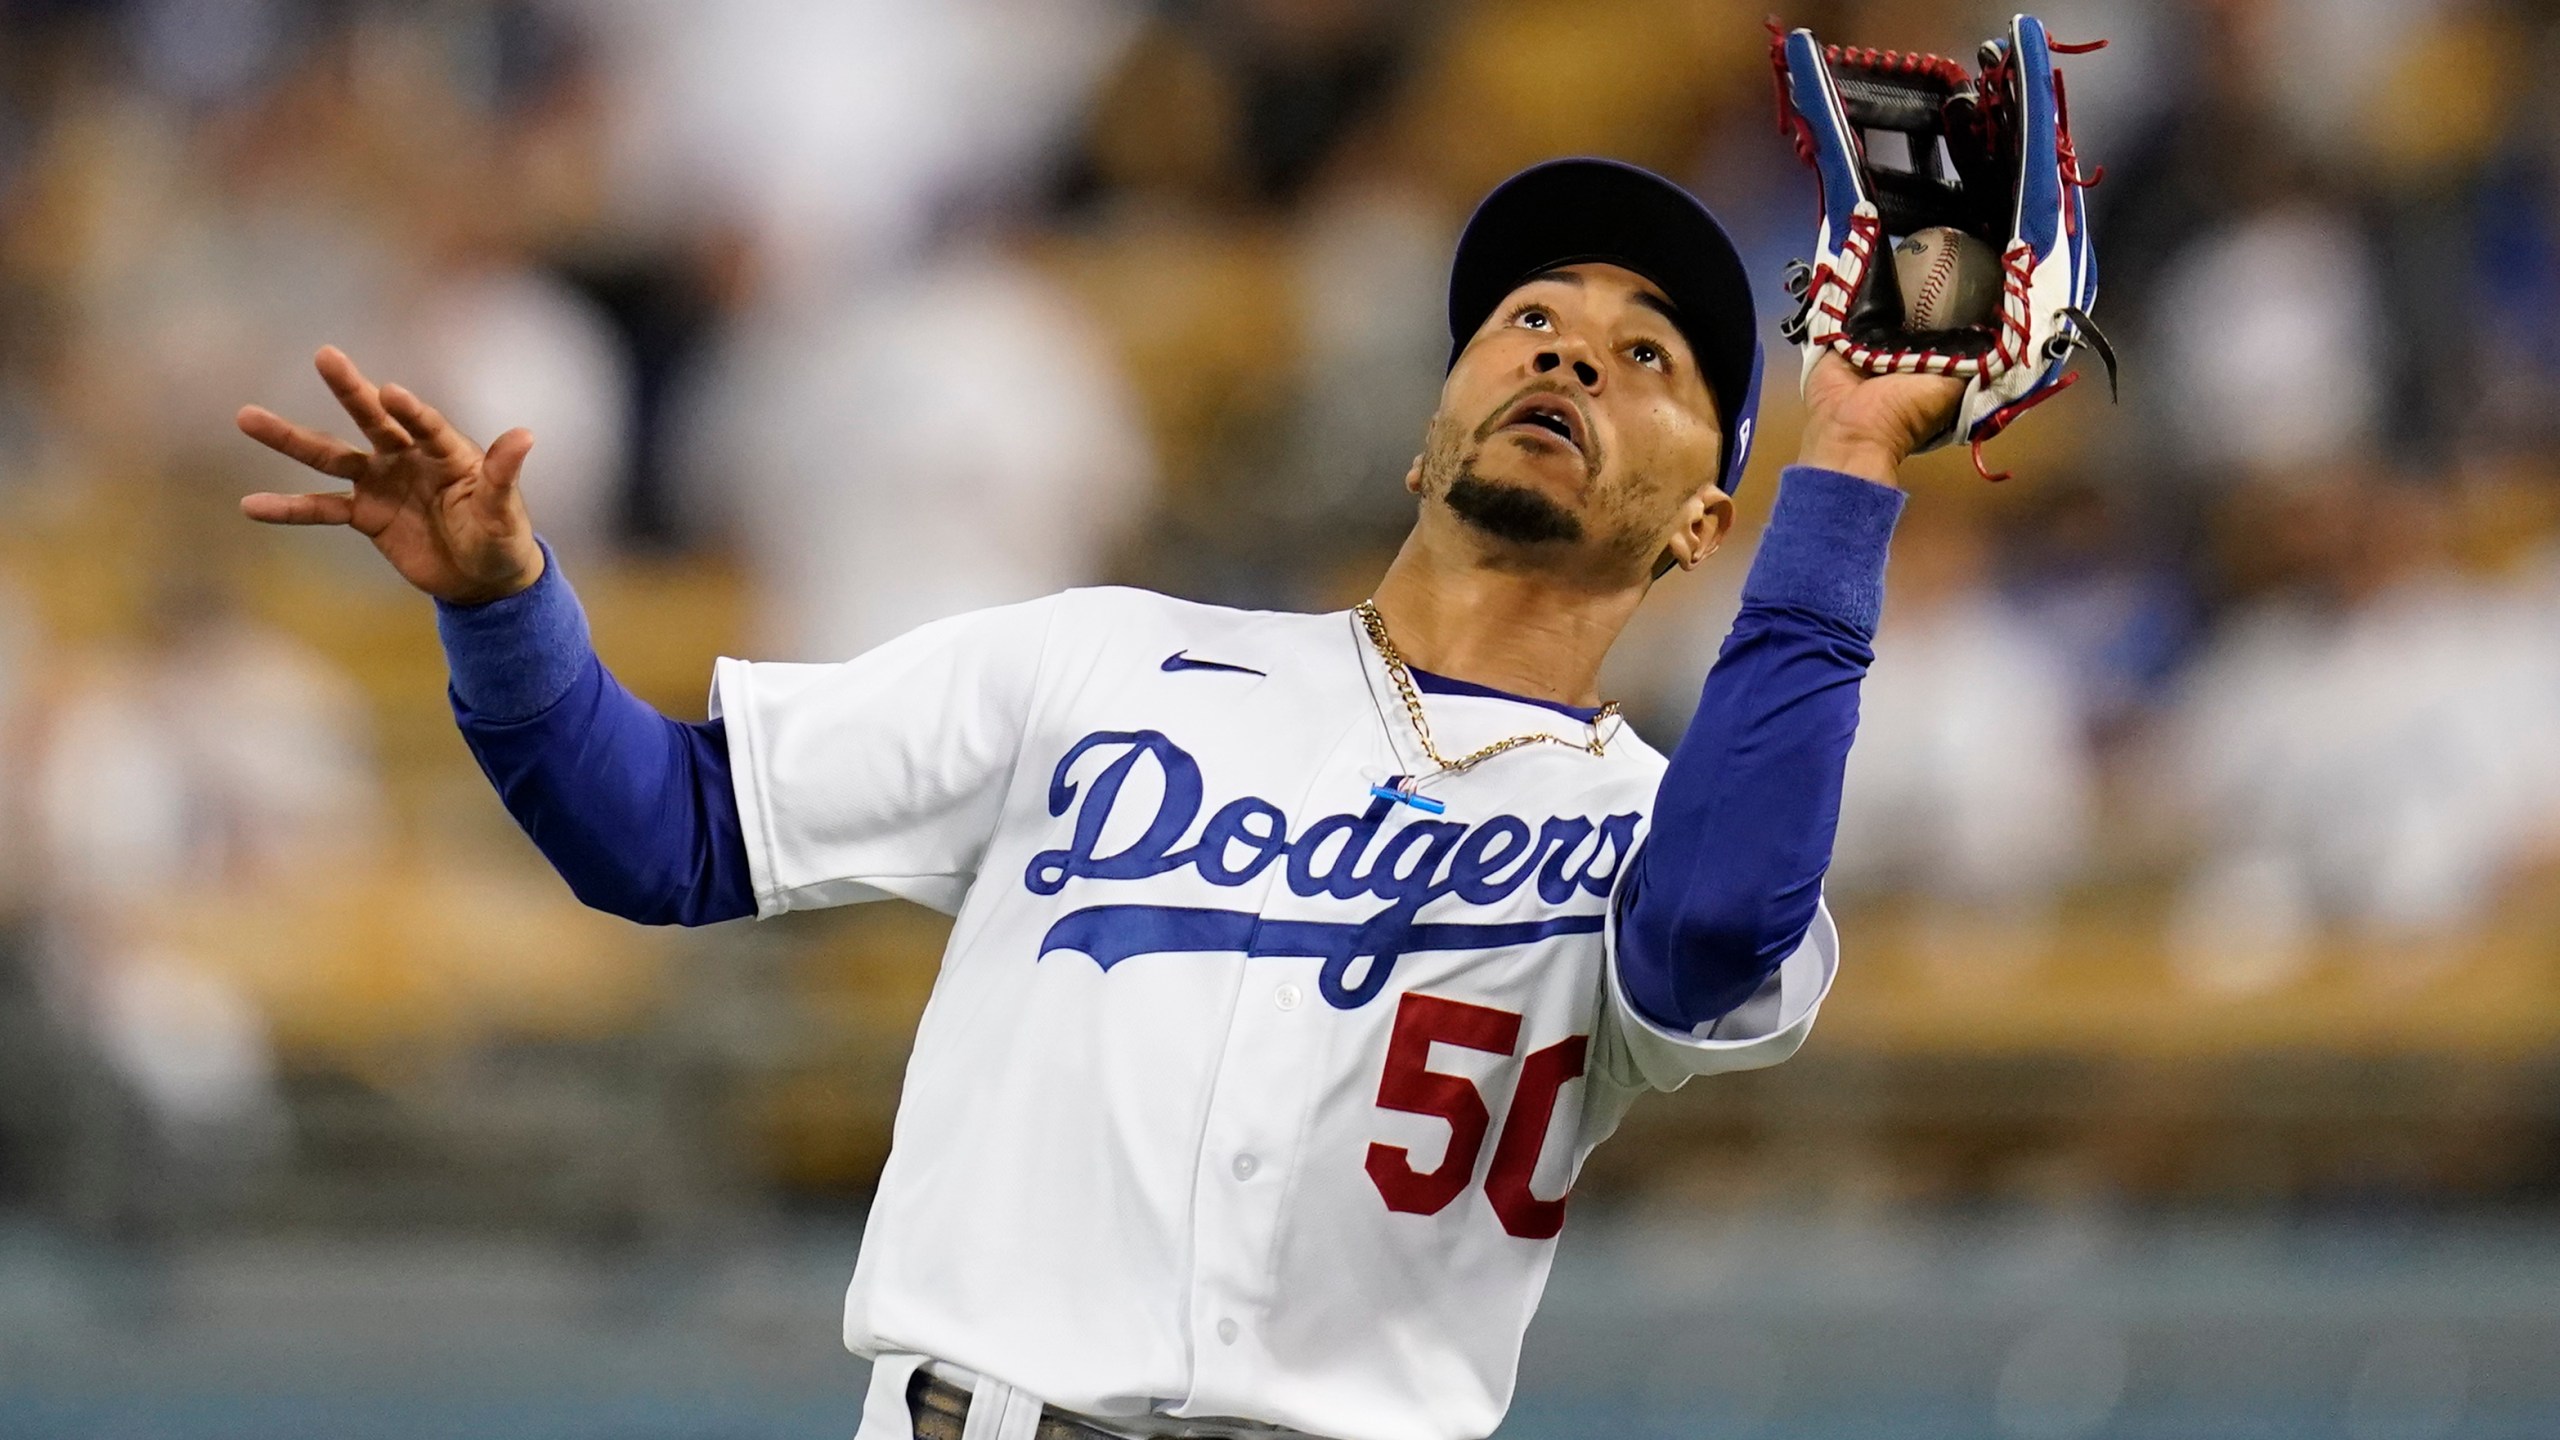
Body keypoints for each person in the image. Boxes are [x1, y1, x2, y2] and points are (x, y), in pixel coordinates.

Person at [236, 159, 1959, 1440]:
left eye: (1648, 357)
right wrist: (502, 609)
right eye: (1529, 322)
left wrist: (1849, 473)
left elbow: (1720, 927)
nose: (1570, 359)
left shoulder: (1655, 830)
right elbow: (663, 833)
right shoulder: (1106, 665)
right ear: (1428, 427)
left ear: (1700, 524)